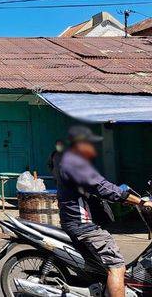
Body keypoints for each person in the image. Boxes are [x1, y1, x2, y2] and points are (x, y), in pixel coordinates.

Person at [56, 125, 152, 297]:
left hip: (74, 222)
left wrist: (126, 199)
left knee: (102, 264)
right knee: (117, 265)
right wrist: (139, 201)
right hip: (83, 225)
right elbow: (103, 187)